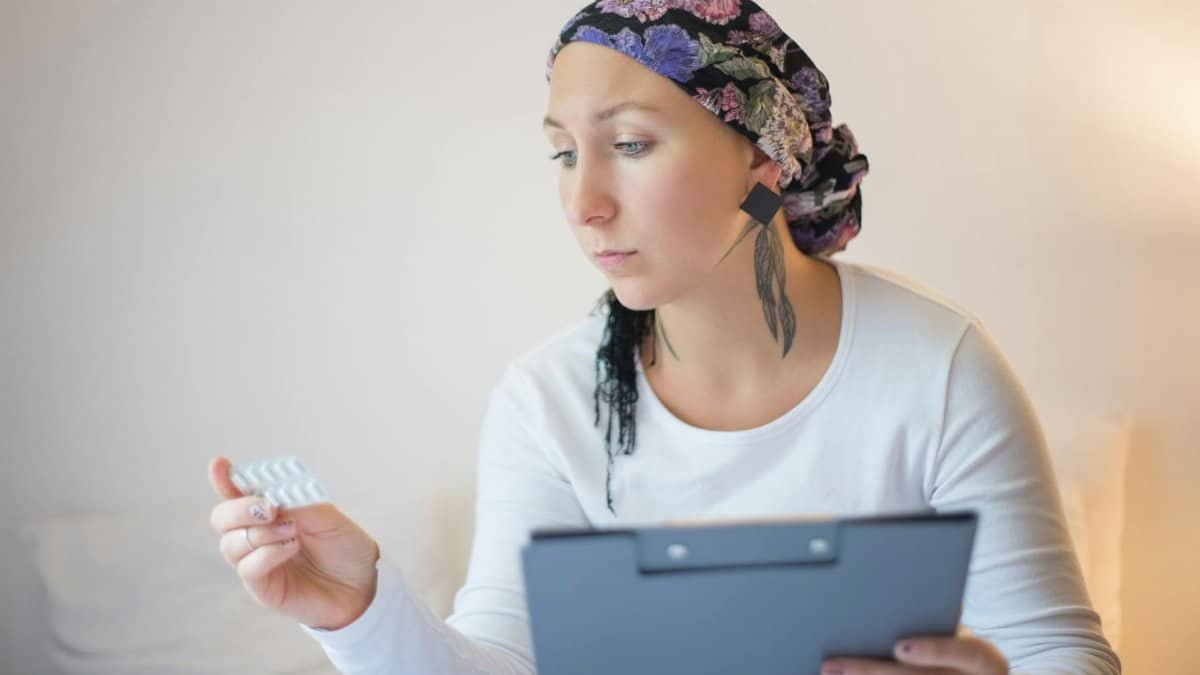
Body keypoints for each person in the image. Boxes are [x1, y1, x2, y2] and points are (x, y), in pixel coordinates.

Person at [206, 2, 1122, 673]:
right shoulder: (546, 402)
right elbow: (502, 662)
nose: (583, 201)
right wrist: (358, 614)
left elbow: (1058, 651)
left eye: (631, 144)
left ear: (763, 162)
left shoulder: (937, 368)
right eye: (564, 151)